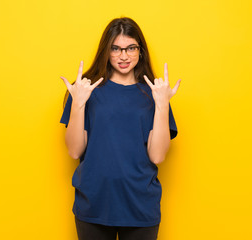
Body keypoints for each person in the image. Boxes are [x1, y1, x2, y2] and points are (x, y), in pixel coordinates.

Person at [60, 17, 181, 240]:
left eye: (130, 48)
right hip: (94, 204)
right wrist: (78, 103)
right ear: (106, 51)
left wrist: (162, 104)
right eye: (115, 48)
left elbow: (157, 155)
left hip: (140, 206)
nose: (123, 56)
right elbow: (75, 151)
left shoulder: (155, 93)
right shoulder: (86, 89)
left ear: (140, 50)